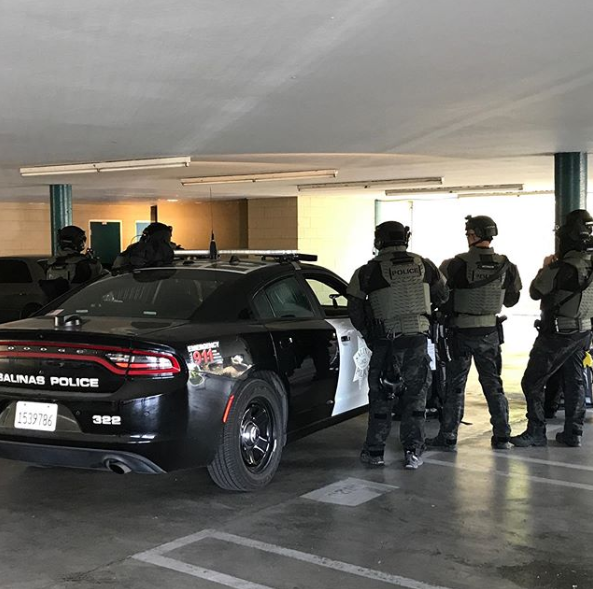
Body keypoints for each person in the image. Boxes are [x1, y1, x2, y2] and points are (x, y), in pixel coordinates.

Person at [347, 221, 449, 469]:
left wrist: (370, 336)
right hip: (417, 341)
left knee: (381, 398)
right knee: (416, 399)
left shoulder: (367, 272)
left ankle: (374, 452)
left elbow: (355, 310)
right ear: (405, 239)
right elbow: (443, 297)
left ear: (379, 241)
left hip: (386, 342)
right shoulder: (425, 265)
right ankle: (413, 452)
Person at [427, 215, 522, 451]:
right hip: (489, 333)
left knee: (455, 386)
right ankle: (502, 436)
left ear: (473, 235)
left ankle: (448, 437)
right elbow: (512, 300)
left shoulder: (454, 264)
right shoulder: (507, 265)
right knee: (493, 385)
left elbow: (439, 297)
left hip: (460, 332)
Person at [511, 209, 593, 448]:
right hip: (583, 332)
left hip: (558, 333)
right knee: (574, 380)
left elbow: (536, 291)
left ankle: (536, 431)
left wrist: (545, 266)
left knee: (532, 382)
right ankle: (573, 432)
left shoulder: (561, 268)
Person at [41, 225, 104, 300]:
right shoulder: (89, 264)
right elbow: (103, 285)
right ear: (79, 241)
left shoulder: (50, 263)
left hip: (55, 306)